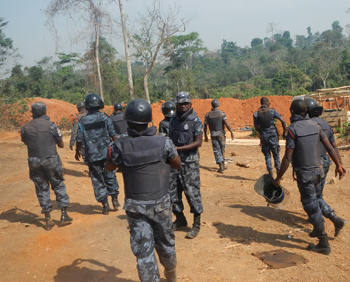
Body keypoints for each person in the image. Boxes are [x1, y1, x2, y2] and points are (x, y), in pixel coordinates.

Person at [106, 98, 181, 282]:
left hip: (135, 206)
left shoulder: (120, 146)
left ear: (127, 121)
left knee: (144, 253)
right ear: (148, 120)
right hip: (161, 204)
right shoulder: (164, 142)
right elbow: (177, 164)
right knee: (166, 243)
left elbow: (109, 168)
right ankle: (171, 274)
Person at [274, 99, 346, 255]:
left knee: (310, 206)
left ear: (292, 112)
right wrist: (339, 165)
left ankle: (323, 243)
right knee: (315, 200)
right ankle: (319, 229)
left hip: (305, 174)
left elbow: (287, 158)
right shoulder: (316, 126)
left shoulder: (292, 130)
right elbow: (330, 147)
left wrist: (278, 178)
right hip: (319, 171)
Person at [21, 102, 73, 231]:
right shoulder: (51, 125)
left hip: (34, 161)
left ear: (32, 112)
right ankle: (63, 214)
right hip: (50, 159)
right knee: (58, 184)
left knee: (41, 188)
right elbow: (60, 144)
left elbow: (25, 141)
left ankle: (47, 219)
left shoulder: (25, 127)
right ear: (45, 112)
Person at [305, 98, 345, 236]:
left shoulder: (307, 125)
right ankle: (314, 215)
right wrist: (339, 164)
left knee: (314, 197)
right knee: (318, 194)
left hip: (313, 163)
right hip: (326, 162)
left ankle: (334, 218)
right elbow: (333, 146)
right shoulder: (326, 124)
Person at [75, 93, 120, 215]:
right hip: (107, 154)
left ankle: (105, 205)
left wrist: (77, 151)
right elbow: (114, 135)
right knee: (110, 175)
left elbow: (79, 140)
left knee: (98, 179)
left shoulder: (82, 121)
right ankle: (114, 199)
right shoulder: (105, 118)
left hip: (92, 156)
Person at [169, 91, 204, 239]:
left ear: (190, 104)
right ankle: (180, 218)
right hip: (174, 162)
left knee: (192, 192)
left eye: (186, 103)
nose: (183, 106)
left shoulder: (195, 120)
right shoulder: (173, 120)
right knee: (172, 192)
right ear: (176, 104)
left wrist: (179, 149)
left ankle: (196, 225)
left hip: (189, 162)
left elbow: (198, 142)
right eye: (180, 103)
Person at [253, 97, 286, 177]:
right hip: (273, 135)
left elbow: (256, 126)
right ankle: (278, 171)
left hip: (264, 136)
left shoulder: (256, 114)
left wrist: (260, 132)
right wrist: (285, 132)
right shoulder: (272, 111)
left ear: (261, 103)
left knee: (267, 154)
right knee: (276, 154)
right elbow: (283, 121)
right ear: (267, 102)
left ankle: (270, 172)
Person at [204, 99, 234, 173]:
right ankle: (222, 165)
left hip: (213, 134)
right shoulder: (222, 114)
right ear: (218, 105)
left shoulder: (208, 115)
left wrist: (205, 135)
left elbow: (205, 126)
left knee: (217, 150)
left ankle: (221, 166)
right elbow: (226, 123)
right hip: (221, 134)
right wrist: (231, 132)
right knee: (222, 149)